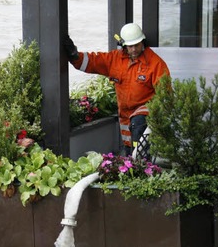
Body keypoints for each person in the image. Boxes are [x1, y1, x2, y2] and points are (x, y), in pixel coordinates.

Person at [64, 23, 170, 158]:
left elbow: (166, 94)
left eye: (137, 45)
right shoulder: (115, 59)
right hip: (125, 116)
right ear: (124, 45)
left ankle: (142, 165)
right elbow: (93, 61)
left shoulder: (155, 64)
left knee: (139, 137)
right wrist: (74, 56)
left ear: (142, 42)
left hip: (145, 112)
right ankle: (134, 166)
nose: (134, 49)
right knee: (130, 148)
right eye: (130, 46)